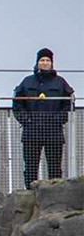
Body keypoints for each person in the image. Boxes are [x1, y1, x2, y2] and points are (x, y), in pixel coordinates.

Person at [13, 48, 74, 187]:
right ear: (37, 63)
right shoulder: (27, 82)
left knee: (54, 168)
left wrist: (58, 120)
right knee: (30, 168)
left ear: (52, 63)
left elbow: (69, 104)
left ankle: (54, 198)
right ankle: (29, 198)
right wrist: (26, 121)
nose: (45, 63)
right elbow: (17, 104)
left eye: (47, 60)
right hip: (31, 132)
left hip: (54, 132)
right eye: (42, 60)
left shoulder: (60, 82)